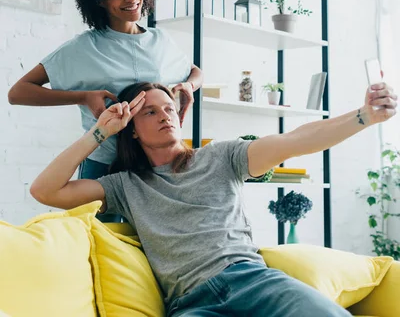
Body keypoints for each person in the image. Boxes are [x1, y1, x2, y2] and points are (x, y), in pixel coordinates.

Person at [30, 80, 397, 316]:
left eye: (169, 108)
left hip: (254, 283)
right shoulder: (125, 186)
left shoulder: (222, 157)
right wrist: (100, 131)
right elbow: (45, 190)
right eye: (150, 112)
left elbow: (296, 140)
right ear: (132, 131)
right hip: (192, 305)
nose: (165, 116)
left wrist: (363, 116)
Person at [8, 0, 202, 186]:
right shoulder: (82, 48)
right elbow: (18, 93)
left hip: (156, 164)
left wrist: (189, 86)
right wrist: (82, 97)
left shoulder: (160, 40)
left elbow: (195, 72)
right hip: (104, 163)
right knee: (95, 226)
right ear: (99, 0)